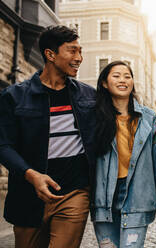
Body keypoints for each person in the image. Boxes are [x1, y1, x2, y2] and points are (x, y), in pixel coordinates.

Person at [0, 25, 96, 247]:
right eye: (72, 51)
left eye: (80, 51)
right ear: (50, 54)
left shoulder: (89, 96)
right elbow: (3, 145)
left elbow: (120, 121)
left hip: (74, 193)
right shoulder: (13, 97)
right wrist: (32, 175)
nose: (79, 58)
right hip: (27, 197)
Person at [91, 61, 156, 248]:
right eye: (116, 75)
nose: (123, 80)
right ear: (105, 83)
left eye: (127, 76)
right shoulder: (93, 117)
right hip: (103, 200)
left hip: (137, 199)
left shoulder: (149, 119)